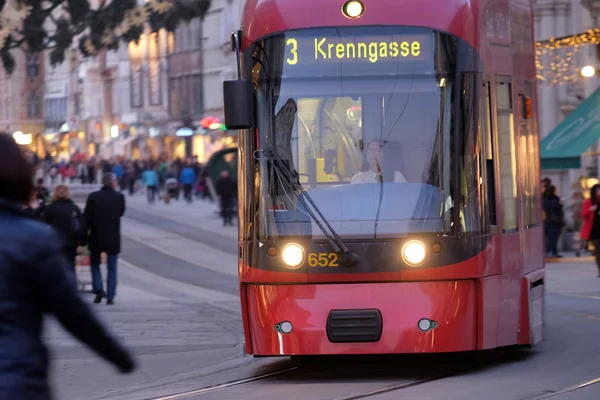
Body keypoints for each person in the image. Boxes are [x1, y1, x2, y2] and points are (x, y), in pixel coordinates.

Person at [0, 133, 135, 399]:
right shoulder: (33, 238)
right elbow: (71, 310)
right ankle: (107, 291)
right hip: (17, 379)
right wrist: (117, 356)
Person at [84, 173, 126, 305]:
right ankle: (110, 296)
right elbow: (121, 213)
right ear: (113, 182)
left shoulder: (93, 197)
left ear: (102, 182)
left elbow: (87, 217)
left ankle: (98, 288)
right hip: (113, 236)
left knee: (95, 265)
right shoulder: (119, 197)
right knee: (112, 267)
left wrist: (83, 234)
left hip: (96, 235)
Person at [40, 185, 86, 286]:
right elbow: (81, 226)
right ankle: (72, 288)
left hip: (54, 242)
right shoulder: (74, 208)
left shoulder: (49, 208)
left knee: (56, 267)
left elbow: (42, 225)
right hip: (71, 242)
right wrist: (82, 242)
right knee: (70, 266)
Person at [543, 185, 564, 258]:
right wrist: (561, 204)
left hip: (548, 221)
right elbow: (558, 210)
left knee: (551, 237)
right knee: (554, 237)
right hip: (555, 221)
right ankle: (550, 251)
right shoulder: (556, 199)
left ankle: (554, 252)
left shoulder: (545, 199)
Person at [584, 184, 600, 277]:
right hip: (594, 230)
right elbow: (584, 214)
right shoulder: (589, 202)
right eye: (598, 191)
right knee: (597, 251)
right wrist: (590, 210)